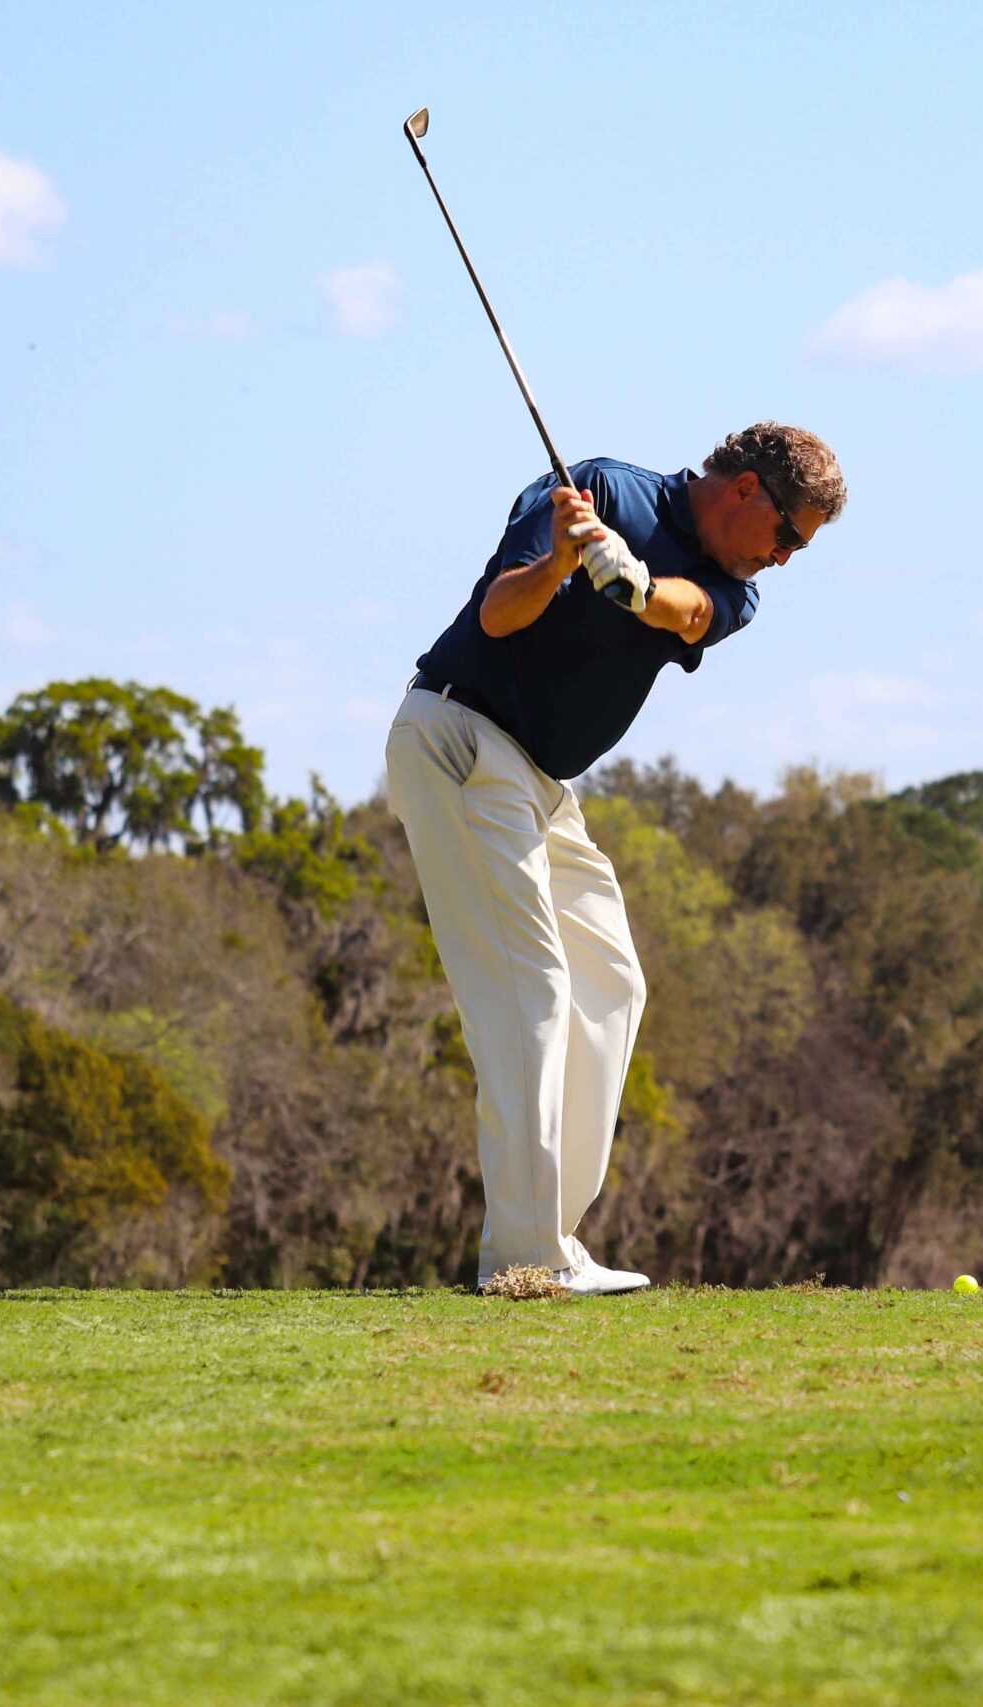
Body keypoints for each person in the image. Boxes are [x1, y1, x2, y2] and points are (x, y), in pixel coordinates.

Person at [385, 424, 846, 1296]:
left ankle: (552, 1230)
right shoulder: (602, 488)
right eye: (787, 535)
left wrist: (632, 585)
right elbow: (497, 612)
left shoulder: (734, 586)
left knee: (612, 981)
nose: (785, 558)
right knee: (532, 992)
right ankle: (524, 1261)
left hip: (538, 781)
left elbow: (692, 611)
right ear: (745, 488)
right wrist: (563, 560)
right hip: (458, 736)